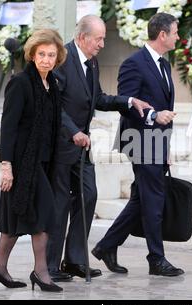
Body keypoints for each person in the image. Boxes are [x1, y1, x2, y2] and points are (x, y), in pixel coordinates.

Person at [46, 15, 152, 282]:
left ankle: (74, 260)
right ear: (82, 38)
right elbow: (54, 104)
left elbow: (99, 98)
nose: (103, 44)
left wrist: (128, 101)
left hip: (82, 149)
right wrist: (74, 132)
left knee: (89, 195)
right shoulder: (62, 58)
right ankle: (49, 266)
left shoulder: (91, 62)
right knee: (59, 205)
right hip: (59, 145)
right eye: (99, 38)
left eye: (103, 38)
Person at [92, 13, 184, 277]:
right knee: (153, 200)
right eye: (175, 32)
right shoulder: (134, 64)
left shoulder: (164, 66)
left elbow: (166, 109)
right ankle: (156, 259)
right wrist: (154, 116)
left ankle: (106, 246)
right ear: (162, 35)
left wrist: (165, 148)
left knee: (142, 199)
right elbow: (127, 105)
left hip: (157, 143)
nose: (178, 37)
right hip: (140, 141)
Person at [0, 29, 67, 292]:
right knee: (44, 213)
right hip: (22, 164)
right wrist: (6, 166)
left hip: (42, 162)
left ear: (58, 58)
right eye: (41, 54)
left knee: (16, 217)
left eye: (51, 55)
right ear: (32, 55)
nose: (46, 59)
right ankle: (41, 272)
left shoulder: (52, 85)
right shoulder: (20, 83)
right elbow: (7, 128)